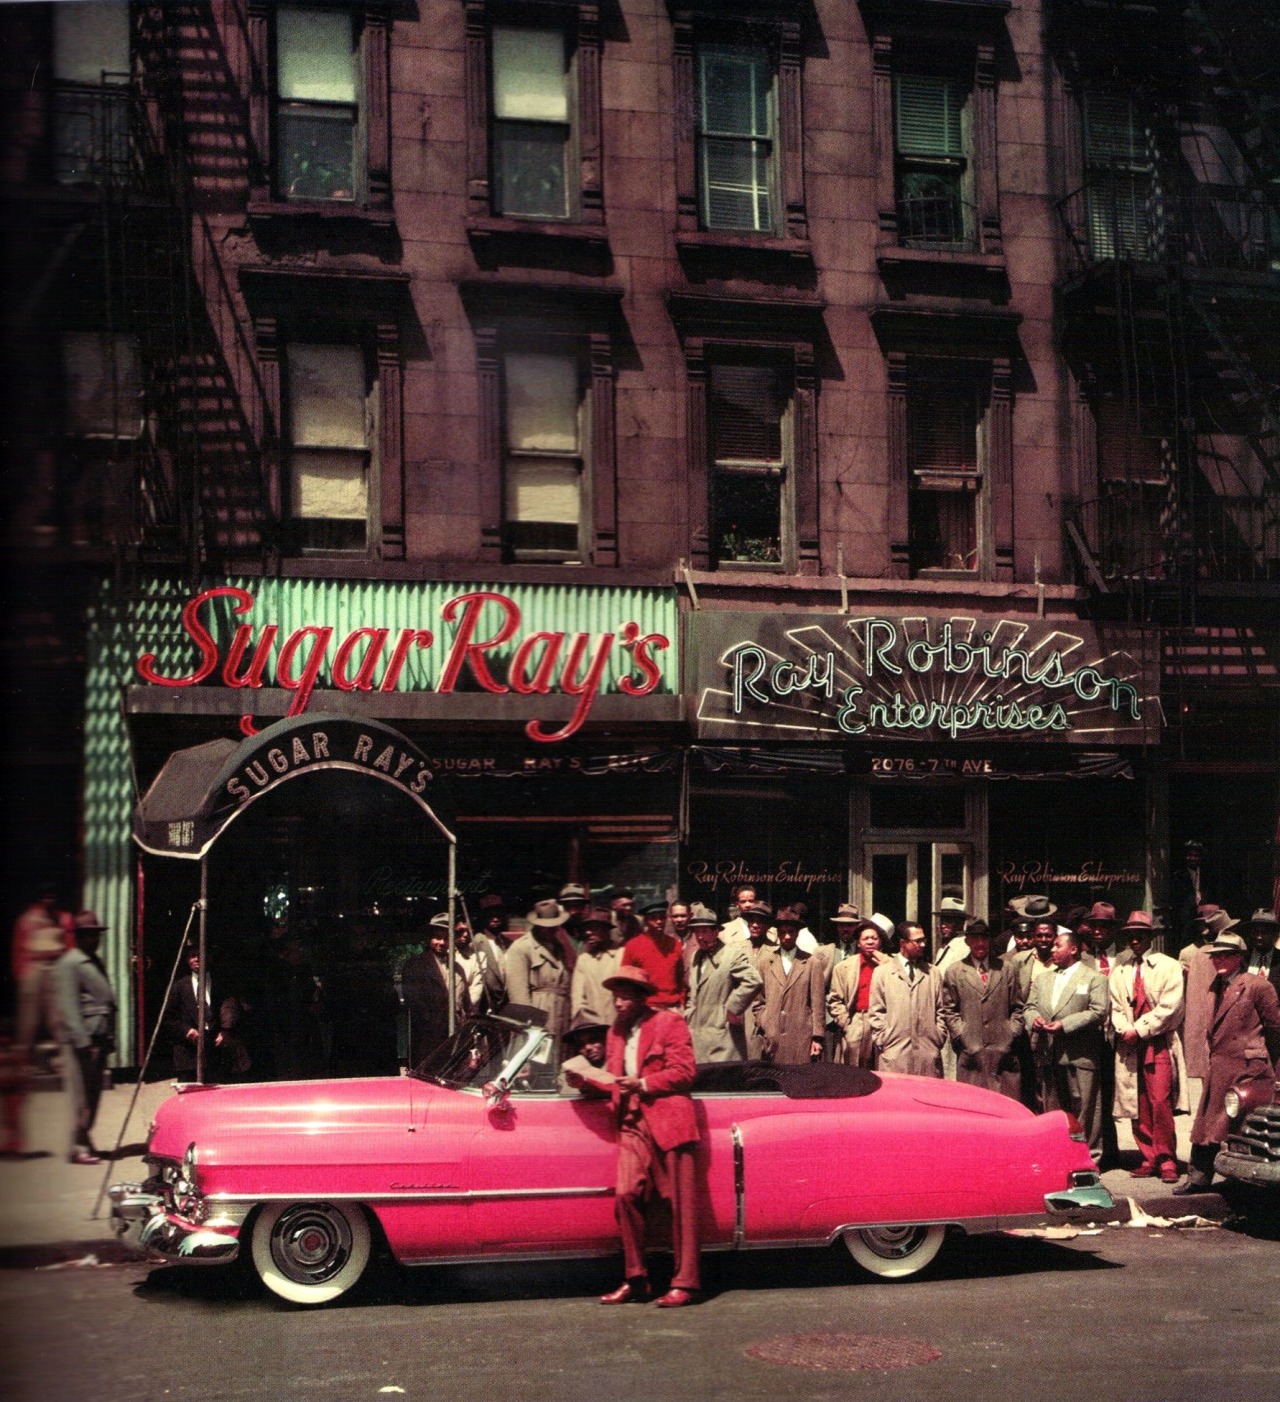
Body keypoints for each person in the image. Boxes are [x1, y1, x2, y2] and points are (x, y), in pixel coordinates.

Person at [574, 965, 700, 1308]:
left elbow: (685, 1072)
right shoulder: (616, 1031)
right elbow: (614, 1077)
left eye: (626, 996)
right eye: (616, 996)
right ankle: (636, 1278)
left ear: (642, 998)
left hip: (670, 1121)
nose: (618, 1003)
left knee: (680, 1206)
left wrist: (644, 1084)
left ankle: (685, 1283)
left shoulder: (669, 1022)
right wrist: (586, 1080)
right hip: (631, 1123)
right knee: (626, 1196)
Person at [1177, 928, 1280, 1194]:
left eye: (1225, 955)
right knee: (1206, 1124)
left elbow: (1275, 1028)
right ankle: (1198, 1179)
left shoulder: (1257, 985)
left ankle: (1242, 1181)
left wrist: (1264, 1058)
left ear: (1239, 957)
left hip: (1248, 1068)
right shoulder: (1216, 985)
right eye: (1215, 956)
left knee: (1239, 1125)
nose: (1218, 960)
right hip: (1221, 1064)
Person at [1108, 911, 1188, 1184]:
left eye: (1140, 935)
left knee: (1160, 1100)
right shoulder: (1120, 970)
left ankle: (1166, 1158)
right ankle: (1148, 1156)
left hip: (1157, 1041)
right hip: (1130, 1044)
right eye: (1130, 936)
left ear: (1150, 937)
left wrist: (1140, 1029)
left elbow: (1171, 1007)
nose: (1135, 940)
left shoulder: (1168, 966)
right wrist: (1124, 1029)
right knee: (1136, 1101)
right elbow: (1116, 1007)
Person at [1025, 928, 1110, 1165]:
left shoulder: (1094, 978)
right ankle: (1056, 1155)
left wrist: (1065, 1024)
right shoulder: (1043, 979)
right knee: (1053, 1109)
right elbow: (1029, 1006)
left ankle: (1087, 1157)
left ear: (1073, 949)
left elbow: (1098, 1011)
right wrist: (1034, 1019)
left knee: (1085, 1107)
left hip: (1080, 1053)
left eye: (1057, 945)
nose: (1051, 949)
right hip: (1048, 1052)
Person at [54, 911, 117, 1165]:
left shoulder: (92, 960)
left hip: (99, 1036)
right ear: (78, 936)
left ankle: (84, 1139)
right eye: (88, 934)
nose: (94, 939)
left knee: (93, 1096)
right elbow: (68, 1007)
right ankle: (78, 1145)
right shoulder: (70, 963)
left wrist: (108, 1037)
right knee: (81, 1095)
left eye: (96, 934)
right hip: (84, 1041)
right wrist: (83, 1042)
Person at [940, 919, 1024, 1100]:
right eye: (975, 939)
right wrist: (962, 1035)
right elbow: (949, 1009)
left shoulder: (1006, 968)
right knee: (973, 1103)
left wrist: (1010, 1032)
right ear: (967, 941)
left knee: (1005, 1103)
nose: (980, 944)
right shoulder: (954, 971)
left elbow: (1018, 1006)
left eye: (984, 939)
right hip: (971, 1049)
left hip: (1002, 1049)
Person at [683, 905, 762, 1063]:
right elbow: (694, 993)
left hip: (723, 1040)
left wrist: (732, 1008)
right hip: (697, 1038)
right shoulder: (695, 957)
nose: (699, 936)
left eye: (704, 931)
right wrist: (688, 1017)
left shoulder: (731, 954)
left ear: (715, 932)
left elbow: (753, 980)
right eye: (696, 931)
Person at [868, 922, 945, 1077]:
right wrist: (883, 1040)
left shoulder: (933, 973)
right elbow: (876, 1011)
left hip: (927, 1055)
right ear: (903, 943)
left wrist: (938, 1036)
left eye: (924, 940)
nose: (923, 944)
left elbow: (941, 1011)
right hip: (895, 1054)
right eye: (917, 941)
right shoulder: (882, 973)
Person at [12, 886, 73, 1073]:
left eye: (52, 895)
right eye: (45, 895)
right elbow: (18, 948)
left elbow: (70, 946)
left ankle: (63, 1059)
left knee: (57, 1016)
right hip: (34, 969)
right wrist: (21, 973)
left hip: (56, 968)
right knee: (29, 1018)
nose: (49, 899)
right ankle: (23, 1061)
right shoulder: (27, 919)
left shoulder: (63, 918)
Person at [755, 907, 825, 1064]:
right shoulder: (766, 962)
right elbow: (757, 1000)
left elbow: (818, 1004)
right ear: (777, 934)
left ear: (797, 933)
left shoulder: (811, 963)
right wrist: (764, 1021)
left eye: (791, 932)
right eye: (782, 932)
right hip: (772, 1037)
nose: (786, 936)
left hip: (801, 1036)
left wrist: (817, 1037)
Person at [401, 916, 468, 1068]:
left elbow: (465, 1002)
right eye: (437, 938)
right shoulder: (415, 966)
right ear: (429, 939)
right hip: (428, 1041)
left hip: (456, 1039)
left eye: (446, 938)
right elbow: (414, 1003)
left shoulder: (457, 968)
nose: (442, 943)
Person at [827, 917, 889, 1067]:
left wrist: (887, 965)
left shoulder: (891, 966)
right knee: (853, 1068)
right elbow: (834, 1000)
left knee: (882, 1067)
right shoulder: (843, 967)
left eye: (874, 938)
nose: (870, 942)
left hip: (884, 1022)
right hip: (857, 1019)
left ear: (880, 942)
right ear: (858, 943)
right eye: (865, 938)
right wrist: (845, 1023)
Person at [507, 900, 573, 1037]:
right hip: (538, 1018)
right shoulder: (522, 947)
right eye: (546, 926)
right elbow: (518, 995)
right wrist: (527, 1028)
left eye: (555, 925)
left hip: (562, 1018)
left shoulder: (559, 947)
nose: (551, 929)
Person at [162, 941, 219, 1079]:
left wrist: (226, 1031)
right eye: (192, 956)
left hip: (215, 1051)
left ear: (209, 957)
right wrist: (186, 1030)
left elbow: (229, 1007)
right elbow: (167, 1017)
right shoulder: (178, 986)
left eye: (200, 954)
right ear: (187, 960)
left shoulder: (220, 982)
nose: (197, 959)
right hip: (187, 1055)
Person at [624, 900, 687, 1009]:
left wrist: (681, 1001)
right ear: (646, 920)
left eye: (662, 917)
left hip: (673, 1007)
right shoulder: (633, 945)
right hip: (646, 1008)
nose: (658, 921)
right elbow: (625, 981)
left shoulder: (675, 944)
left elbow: (681, 978)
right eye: (653, 917)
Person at [570, 907, 622, 1027]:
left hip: (619, 1024)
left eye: (594, 928)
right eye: (587, 929)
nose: (588, 933)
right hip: (592, 1027)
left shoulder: (621, 955)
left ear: (606, 930)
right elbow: (577, 999)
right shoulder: (584, 960)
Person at [1170, 839, 1208, 953]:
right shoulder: (1177, 876)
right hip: (1185, 923)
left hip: (1204, 920)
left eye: (1196, 855)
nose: (1193, 858)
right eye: (1190, 855)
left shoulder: (1207, 874)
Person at [559, 1012, 609, 1092]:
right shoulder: (570, 1072)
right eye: (581, 1044)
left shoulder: (618, 1067)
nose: (588, 1048)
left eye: (593, 1040)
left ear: (604, 1040)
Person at [932, 896, 971, 976]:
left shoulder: (964, 947)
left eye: (949, 921)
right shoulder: (944, 948)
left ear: (960, 924)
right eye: (942, 921)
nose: (943, 926)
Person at [1244, 908, 1280, 994]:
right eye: (1255, 932)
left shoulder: (1279, 959)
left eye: (1264, 933)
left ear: (1274, 935)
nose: (1259, 937)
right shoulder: (1243, 958)